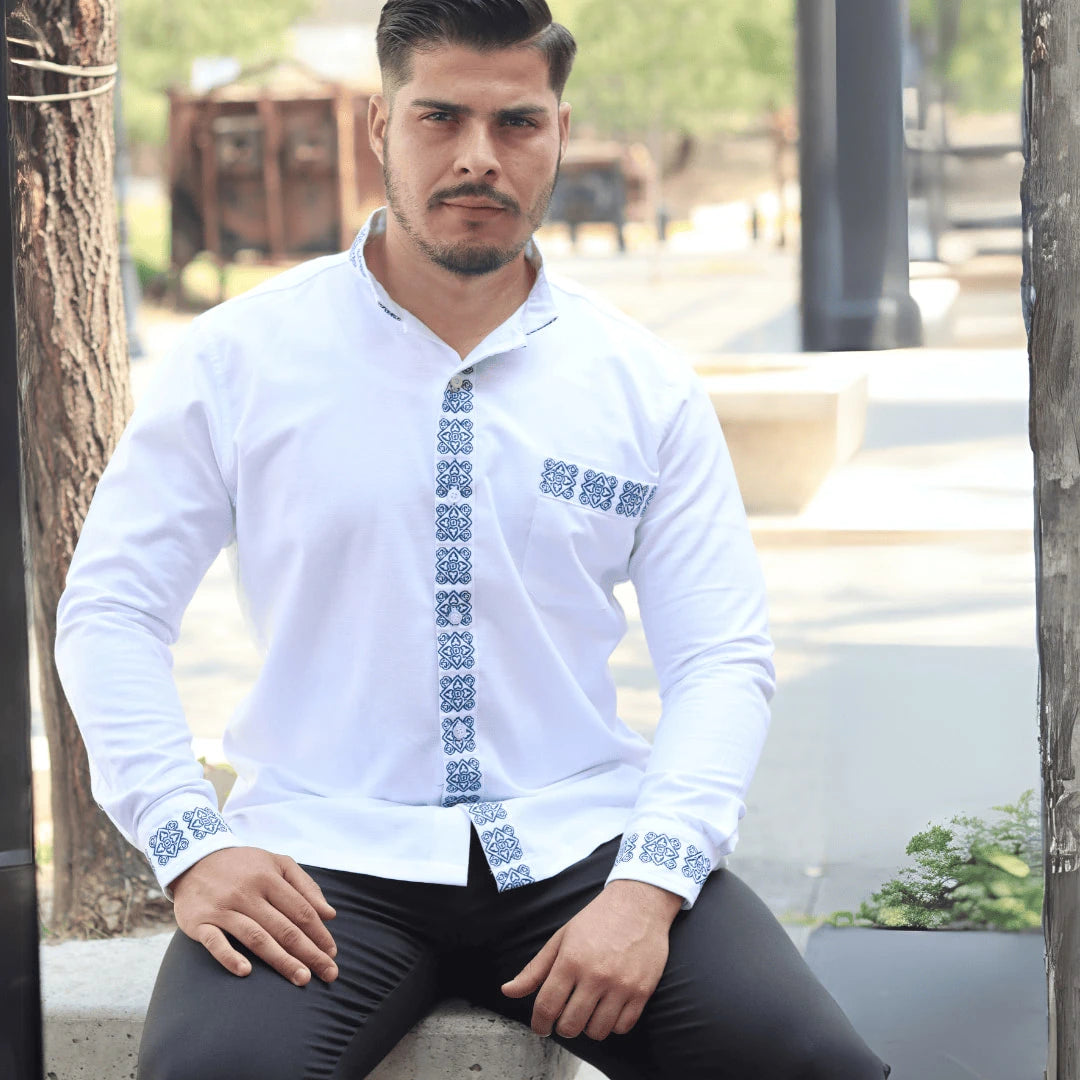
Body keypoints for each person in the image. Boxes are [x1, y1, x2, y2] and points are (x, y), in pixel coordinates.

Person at [54, 2, 891, 1077]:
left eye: (516, 123)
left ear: (560, 131)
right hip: (322, 860)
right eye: (440, 117)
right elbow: (112, 608)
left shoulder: (640, 384)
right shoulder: (239, 360)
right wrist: (188, 842)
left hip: (585, 848)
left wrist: (650, 882)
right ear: (380, 124)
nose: (478, 157)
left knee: (818, 1066)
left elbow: (721, 657)